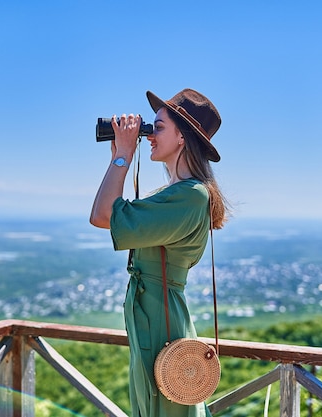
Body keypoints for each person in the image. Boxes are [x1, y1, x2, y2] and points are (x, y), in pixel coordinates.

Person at [90, 88, 227, 417]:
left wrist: (122, 156)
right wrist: (118, 154)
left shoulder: (190, 196)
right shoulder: (175, 194)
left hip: (161, 321)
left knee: (165, 406)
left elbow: (102, 216)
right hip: (152, 315)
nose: (148, 135)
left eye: (157, 127)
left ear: (183, 137)